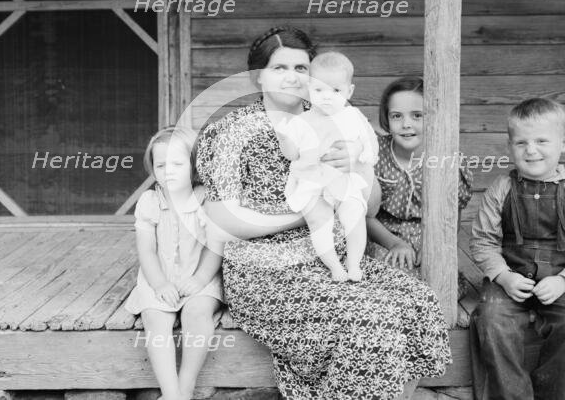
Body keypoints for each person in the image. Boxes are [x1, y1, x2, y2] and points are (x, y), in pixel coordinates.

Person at [194, 26, 452, 400]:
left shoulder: (338, 119)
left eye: (301, 68)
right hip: (265, 270)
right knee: (368, 322)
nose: (292, 77)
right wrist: (307, 212)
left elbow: (371, 207)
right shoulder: (232, 132)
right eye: (279, 67)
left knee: (417, 302)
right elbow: (219, 218)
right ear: (257, 76)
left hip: (336, 259)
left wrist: (358, 169)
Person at [468, 98, 565, 400]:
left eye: (541, 141)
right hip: (512, 276)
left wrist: (564, 281)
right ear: (510, 147)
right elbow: (483, 241)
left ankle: (551, 391)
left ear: (564, 143)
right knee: (490, 318)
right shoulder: (501, 188)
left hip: (562, 278)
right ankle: (513, 395)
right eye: (521, 142)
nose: (530, 150)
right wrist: (503, 277)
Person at [124, 127, 224, 400]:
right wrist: (159, 283)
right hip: (160, 275)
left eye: (177, 164)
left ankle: (186, 388)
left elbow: (216, 245)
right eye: (161, 164)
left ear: (192, 165)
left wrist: (201, 279)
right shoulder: (150, 200)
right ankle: (171, 395)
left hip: (200, 273)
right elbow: (146, 251)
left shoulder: (205, 198)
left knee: (197, 313)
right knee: (155, 319)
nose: (168, 170)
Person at [275, 51, 380, 282]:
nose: (326, 97)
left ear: (349, 91)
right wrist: (284, 139)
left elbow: (371, 146)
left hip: (343, 179)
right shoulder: (301, 122)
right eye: (319, 90)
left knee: (354, 213)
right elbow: (292, 155)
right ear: (309, 89)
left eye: (336, 90)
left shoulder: (353, 116)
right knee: (318, 220)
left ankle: (354, 263)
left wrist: (359, 151)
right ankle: (334, 266)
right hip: (312, 182)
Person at [366, 77, 473, 277]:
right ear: (386, 118)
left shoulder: (447, 158)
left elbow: (452, 214)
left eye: (417, 115)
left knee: (439, 280)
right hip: (383, 236)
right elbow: (364, 214)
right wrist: (395, 243)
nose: (406, 124)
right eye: (397, 116)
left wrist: (435, 245)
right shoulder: (374, 153)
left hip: (430, 235)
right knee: (388, 276)